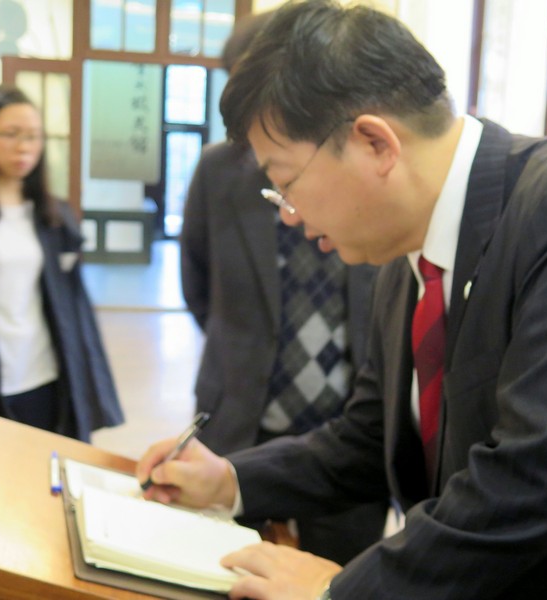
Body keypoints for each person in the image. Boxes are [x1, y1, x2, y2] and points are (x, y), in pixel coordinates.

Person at [137, 2, 547, 598]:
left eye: (285, 184)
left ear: (375, 144)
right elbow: (367, 437)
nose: (292, 216)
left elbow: (534, 477)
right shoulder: (405, 257)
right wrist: (234, 480)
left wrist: (336, 590)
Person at [179, 11, 386, 564]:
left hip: (349, 420)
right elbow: (196, 281)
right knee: (225, 566)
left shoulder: (363, 176)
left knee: (338, 570)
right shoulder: (218, 173)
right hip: (243, 414)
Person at [0, 84, 123, 441]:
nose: (25, 147)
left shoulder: (52, 214)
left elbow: (73, 307)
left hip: (43, 374)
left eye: (34, 136)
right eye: (11, 134)